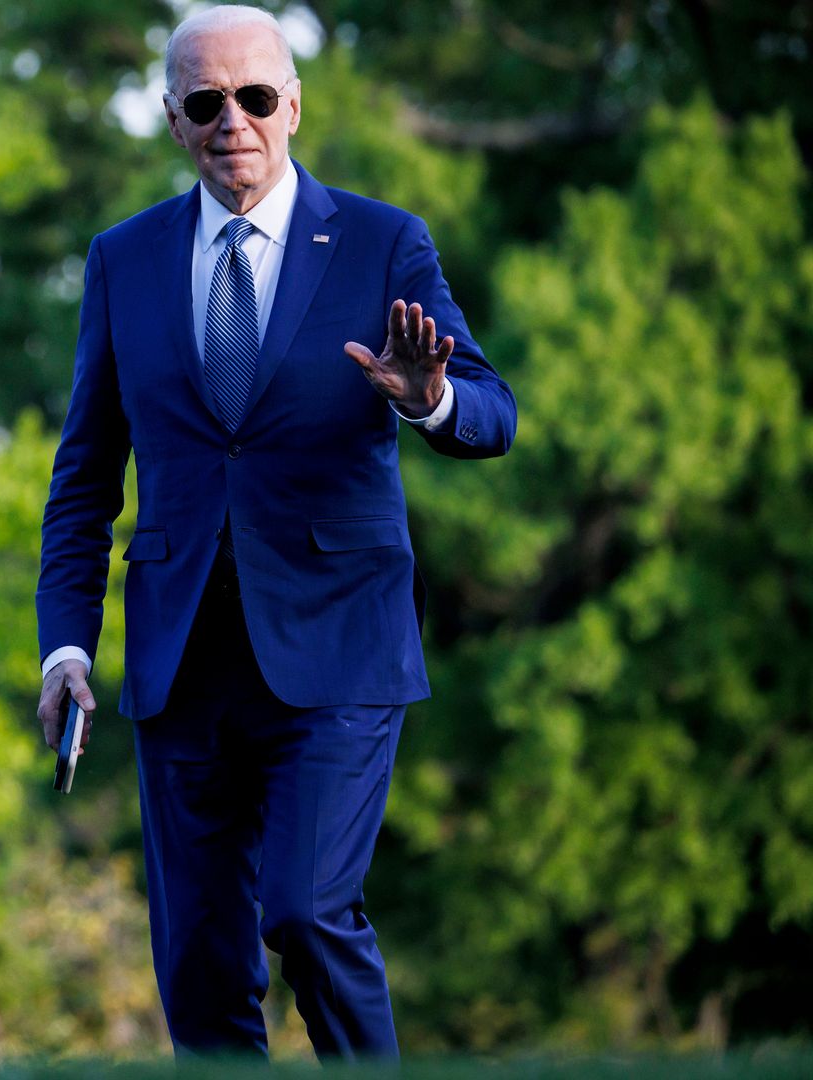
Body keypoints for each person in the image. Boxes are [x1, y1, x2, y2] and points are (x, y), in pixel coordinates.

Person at [32, 5, 517, 1061]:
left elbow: (493, 413)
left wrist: (428, 400)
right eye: (205, 103)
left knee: (303, 909)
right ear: (173, 120)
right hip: (180, 664)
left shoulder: (385, 242)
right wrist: (67, 646)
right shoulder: (125, 261)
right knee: (201, 969)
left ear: (293, 105)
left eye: (255, 97)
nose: (232, 121)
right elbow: (83, 481)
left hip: (338, 651)